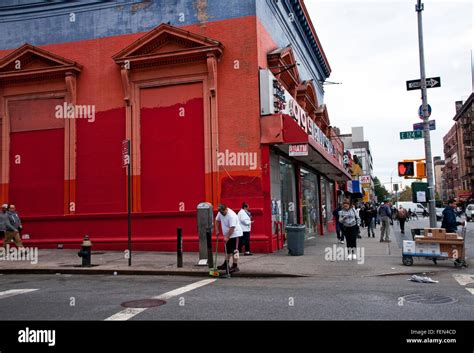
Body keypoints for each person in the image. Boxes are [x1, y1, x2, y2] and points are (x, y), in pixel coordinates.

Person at [215, 204, 243, 274]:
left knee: (235, 250)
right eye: (220, 212)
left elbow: (232, 228)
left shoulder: (231, 215)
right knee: (227, 250)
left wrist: (227, 237)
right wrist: (217, 229)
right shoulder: (220, 212)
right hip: (227, 234)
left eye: (223, 212)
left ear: (226, 209)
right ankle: (225, 264)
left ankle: (235, 266)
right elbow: (217, 220)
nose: (222, 214)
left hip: (235, 234)